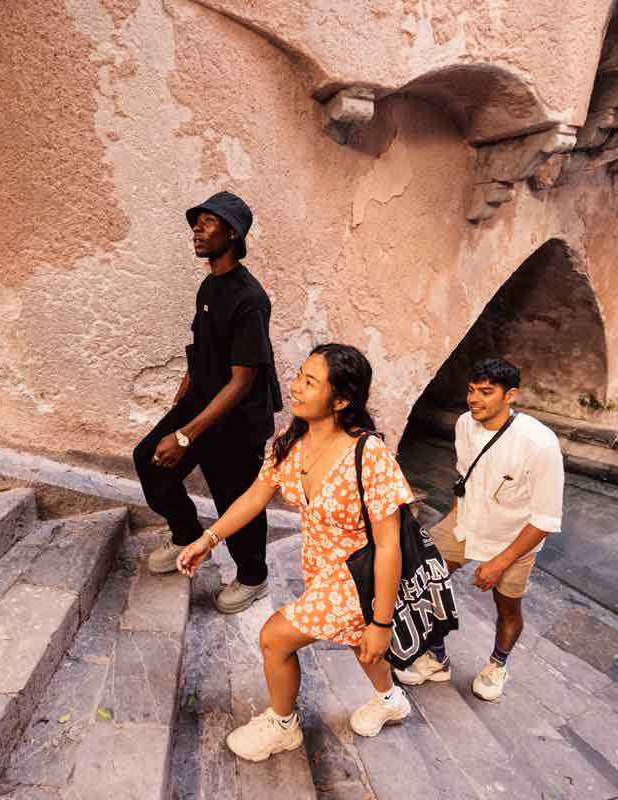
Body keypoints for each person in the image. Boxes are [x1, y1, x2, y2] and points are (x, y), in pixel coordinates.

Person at [177, 344, 414, 762]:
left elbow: (390, 544)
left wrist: (381, 620)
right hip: (320, 571)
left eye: (310, 381)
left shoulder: (369, 455)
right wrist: (206, 539)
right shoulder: (290, 444)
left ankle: (283, 725)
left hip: (358, 577)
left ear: (341, 400)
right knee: (362, 645)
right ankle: (390, 698)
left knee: (275, 638)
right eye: (299, 376)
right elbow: (254, 497)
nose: (296, 387)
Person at [133, 191, 283, 614]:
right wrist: (181, 401)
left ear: (232, 233)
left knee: (234, 499)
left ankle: (253, 578)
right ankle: (184, 532)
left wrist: (184, 435)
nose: (197, 229)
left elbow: (242, 382)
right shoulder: (209, 284)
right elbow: (202, 346)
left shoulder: (250, 299)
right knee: (148, 459)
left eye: (207, 222)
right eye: (195, 221)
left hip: (237, 419)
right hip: (205, 401)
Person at [395, 357, 564, 701]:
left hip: (514, 538)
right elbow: (464, 475)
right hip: (465, 523)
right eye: (472, 391)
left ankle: (497, 664)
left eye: (486, 392)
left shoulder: (540, 445)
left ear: (510, 395)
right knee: (419, 578)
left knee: (507, 609)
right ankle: (437, 657)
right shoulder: (464, 424)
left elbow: (545, 520)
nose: (475, 399)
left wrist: (499, 563)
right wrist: (453, 517)